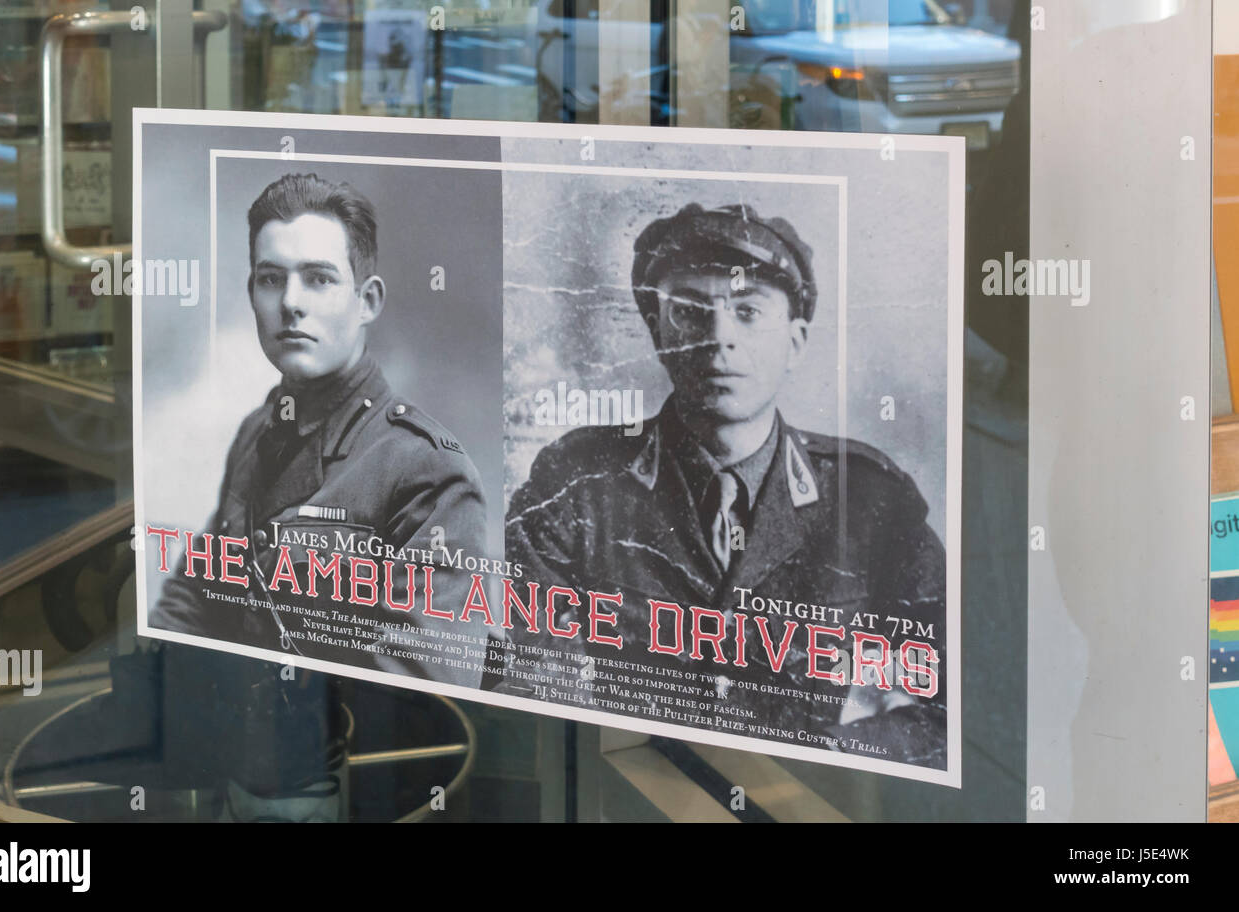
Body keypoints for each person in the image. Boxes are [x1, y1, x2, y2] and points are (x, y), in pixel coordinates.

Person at [504, 203, 947, 766]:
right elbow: (534, 691)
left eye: (748, 311)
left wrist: (819, 760)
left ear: (796, 340)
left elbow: (949, 708)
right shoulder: (576, 482)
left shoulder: (867, 500)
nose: (719, 339)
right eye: (690, 311)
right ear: (656, 330)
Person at [149, 172, 493, 689]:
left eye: (318, 278)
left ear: (368, 301)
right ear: (251, 294)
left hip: (344, 760)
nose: (290, 302)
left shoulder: (426, 469)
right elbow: (193, 599)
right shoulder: (255, 435)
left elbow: (423, 689)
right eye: (271, 279)